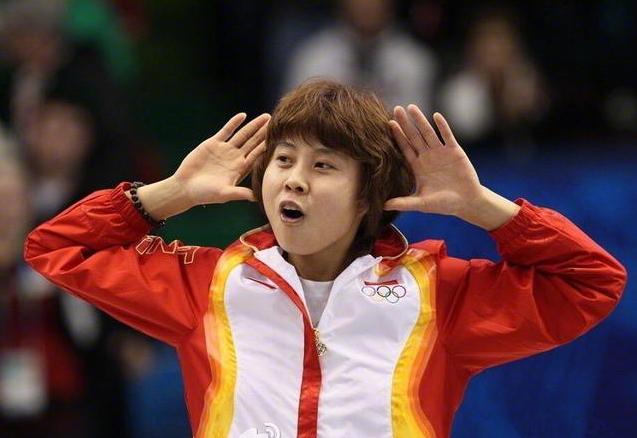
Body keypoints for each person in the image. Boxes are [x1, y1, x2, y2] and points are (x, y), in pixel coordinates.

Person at [24, 80, 626, 437]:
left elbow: (592, 282)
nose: (294, 179)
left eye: (324, 165)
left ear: (368, 195)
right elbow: (55, 247)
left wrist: (482, 207)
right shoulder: (207, 286)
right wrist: (172, 194)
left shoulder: (439, 296)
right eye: (283, 160)